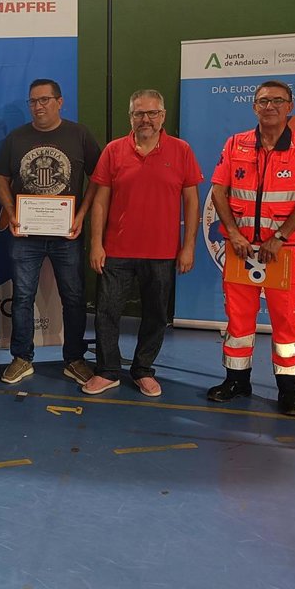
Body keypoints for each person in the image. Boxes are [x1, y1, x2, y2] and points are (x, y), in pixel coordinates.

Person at [206, 81, 295, 414]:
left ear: (290, 107)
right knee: (238, 321)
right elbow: (218, 191)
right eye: (263, 101)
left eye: (277, 101)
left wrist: (279, 237)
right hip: (240, 250)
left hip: (283, 252)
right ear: (254, 106)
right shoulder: (235, 144)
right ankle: (236, 381)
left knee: (286, 324)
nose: (269, 106)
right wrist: (233, 233)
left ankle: (289, 391)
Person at [86, 89, 202, 398]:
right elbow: (100, 202)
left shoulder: (182, 150)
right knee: (106, 313)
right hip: (116, 251)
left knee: (156, 315)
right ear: (131, 117)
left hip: (162, 253)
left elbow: (192, 202)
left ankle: (143, 370)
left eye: (152, 113)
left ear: (163, 116)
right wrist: (96, 243)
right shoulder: (113, 150)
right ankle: (107, 371)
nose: (146, 119)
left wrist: (188, 246)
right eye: (139, 113)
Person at [0, 79, 101, 387]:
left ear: (59, 101)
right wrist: (11, 212)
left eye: (44, 100)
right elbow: (1, 178)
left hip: (66, 234)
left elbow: (99, 177)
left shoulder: (79, 135)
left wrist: (81, 215)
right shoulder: (16, 138)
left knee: (74, 297)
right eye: (33, 101)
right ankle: (22, 358)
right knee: (22, 297)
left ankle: (74, 358)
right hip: (25, 234)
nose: (38, 106)